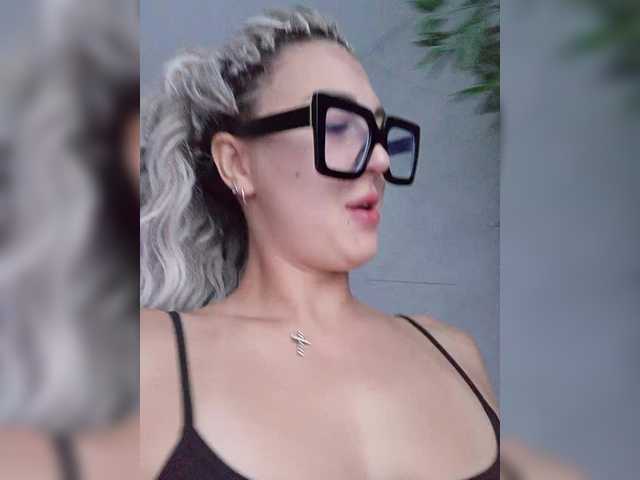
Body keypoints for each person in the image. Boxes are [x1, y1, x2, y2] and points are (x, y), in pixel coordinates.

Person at [140, 6, 498, 479]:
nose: (381, 158)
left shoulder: (456, 356)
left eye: (379, 132)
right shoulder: (150, 356)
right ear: (237, 163)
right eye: (339, 127)